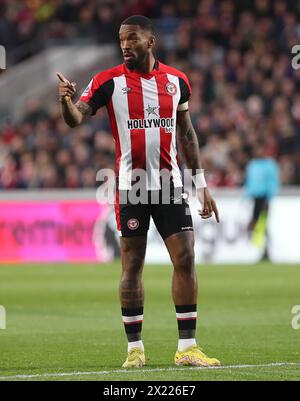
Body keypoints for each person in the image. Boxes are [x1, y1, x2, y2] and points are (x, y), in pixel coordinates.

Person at [57, 15, 220, 368]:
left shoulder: (177, 81)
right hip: (131, 186)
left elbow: (187, 135)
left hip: (169, 185)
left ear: (150, 41)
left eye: (132, 38)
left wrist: (201, 185)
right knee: (132, 265)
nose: (125, 45)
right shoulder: (108, 81)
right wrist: (66, 103)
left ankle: (187, 348)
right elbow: (76, 117)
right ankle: (135, 350)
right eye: (121, 40)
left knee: (187, 257)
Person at [245, 141, 280, 255]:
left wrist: (269, 197)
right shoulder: (252, 164)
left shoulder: (270, 164)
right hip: (254, 198)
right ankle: (262, 249)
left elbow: (273, 182)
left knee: (262, 223)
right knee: (255, 223)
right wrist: (246, 197)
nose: (258, 152)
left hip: (264, 198)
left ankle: (266, 249)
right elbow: (249, 182)